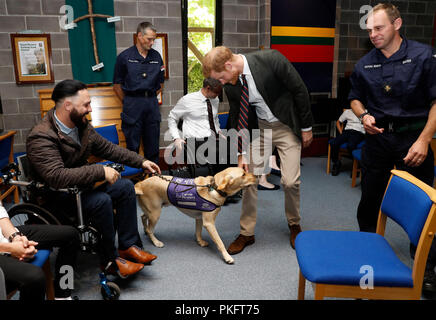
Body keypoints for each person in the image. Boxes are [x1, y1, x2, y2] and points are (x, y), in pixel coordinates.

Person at [26, 79, 161, 279]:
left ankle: (128, 246)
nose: (90, 109)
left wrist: (141, 161)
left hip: (80, 188)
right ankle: (110, 261)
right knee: (101, 201)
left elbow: (108, 148)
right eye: (86, 105)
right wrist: (99, 171)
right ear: (67, 106)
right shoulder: (41, 137)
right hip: (56, 197)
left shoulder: (81, 125)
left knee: (124, 187)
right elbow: (56, 176)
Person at [349, 3, 436, 292]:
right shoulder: (364, 64)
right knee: (369, 202)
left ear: (397, 24)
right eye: (370, 29)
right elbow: (355, 99)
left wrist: (424, 140)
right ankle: (366, 255)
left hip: (414, 141)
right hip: (378, 142)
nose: (373, 34)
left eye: (379, 27)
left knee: (424, 207)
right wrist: (363, 116)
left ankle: (426, 266)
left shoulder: (424, 56)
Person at [202, 46, 314, 253]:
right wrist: (240, 153)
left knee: (290, 181)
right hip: (260, 129)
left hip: (286, 126)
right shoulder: (231, 82)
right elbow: (237, 115)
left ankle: (294, 224)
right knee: (248, 179)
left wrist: (306, 127)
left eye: (221, 77)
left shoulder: (271, 59)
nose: (222, 83)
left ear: (229, 65)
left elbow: (300, 90)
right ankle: (246, 233)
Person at [0, 202, 80, 300]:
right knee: (35, 278)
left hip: (3, 236)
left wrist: (15, 237)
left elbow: (0, 213)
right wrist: (10, 248)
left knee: (71, 235)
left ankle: (62, 294)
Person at [113, 21, 165, 164]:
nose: (152, 42)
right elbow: (117, 85)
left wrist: (148, 98)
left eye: (154, 39)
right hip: (132, 104)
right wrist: (128, 101)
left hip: (151, 104)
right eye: (149, 39)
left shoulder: (156, 57)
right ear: (139, 36)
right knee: (132, 147)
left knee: (153, 146)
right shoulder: (124, 57)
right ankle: (133, 182)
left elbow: (160, 83)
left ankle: (154, 180)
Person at [168, 78, 223, 176]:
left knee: (232, 151)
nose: (217, 95)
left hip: (213, 138)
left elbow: (215, 118)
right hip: (194, 140)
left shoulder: (215, 99)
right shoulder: (187, 100)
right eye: (216, 93)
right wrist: (176, 138)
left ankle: (222, 185)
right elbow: (172, 118)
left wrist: (219, 131)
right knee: (217, 157)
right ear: (207, 88)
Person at [330, 108, 365, 176]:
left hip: (359, 133)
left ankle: (356, 166)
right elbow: (338, 122)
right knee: (334, 142)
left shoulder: (366, 112)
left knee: (351, 145)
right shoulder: (347, 111)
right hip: (347, 131)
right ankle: (336, 163)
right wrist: (341, 133)